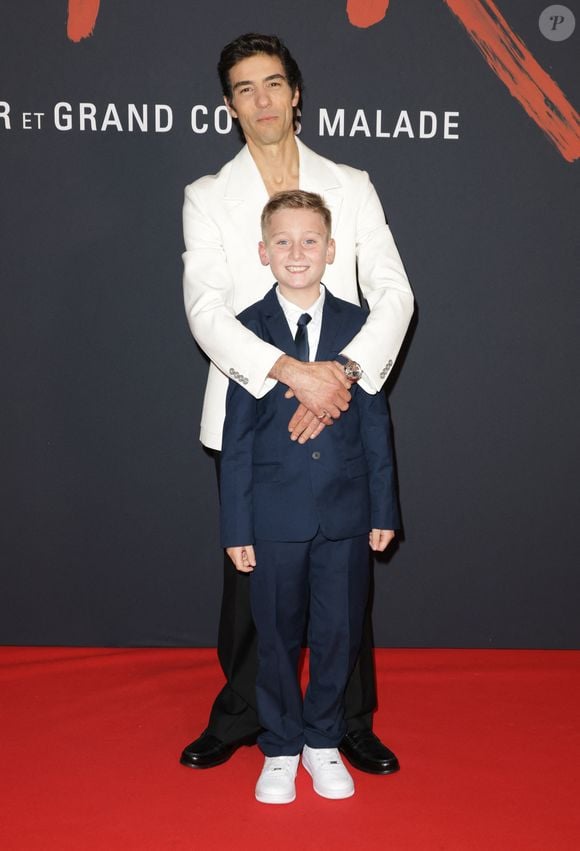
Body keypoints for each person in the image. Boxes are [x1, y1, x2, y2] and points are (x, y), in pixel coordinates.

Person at [181, 32, 413, 774]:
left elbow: (394, 292)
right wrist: (290, 372)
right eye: (244, 89)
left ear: (296, 93)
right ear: (230, 107)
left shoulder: (352, 183)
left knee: (345, 581)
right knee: (255, 580)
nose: (262, 99)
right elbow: (205, 309)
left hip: (342, 403)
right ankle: (245, 711)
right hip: (254, 405)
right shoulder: (208, 197)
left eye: (273, 83)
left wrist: (337, 374)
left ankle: (348, 719)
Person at [220, 189, 400, 804]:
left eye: (310, 240)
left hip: (347, 513)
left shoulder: (359, 326)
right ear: (263, 253)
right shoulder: (247, 330)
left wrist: (383, 507)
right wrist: (237, 526)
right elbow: (236, 437)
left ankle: (324, 739)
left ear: (331, 249)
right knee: (274, 633)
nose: (297, 252)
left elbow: (376, 424)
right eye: (283, 242)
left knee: (338, 631)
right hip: (273, 515)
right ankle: (280, 745)